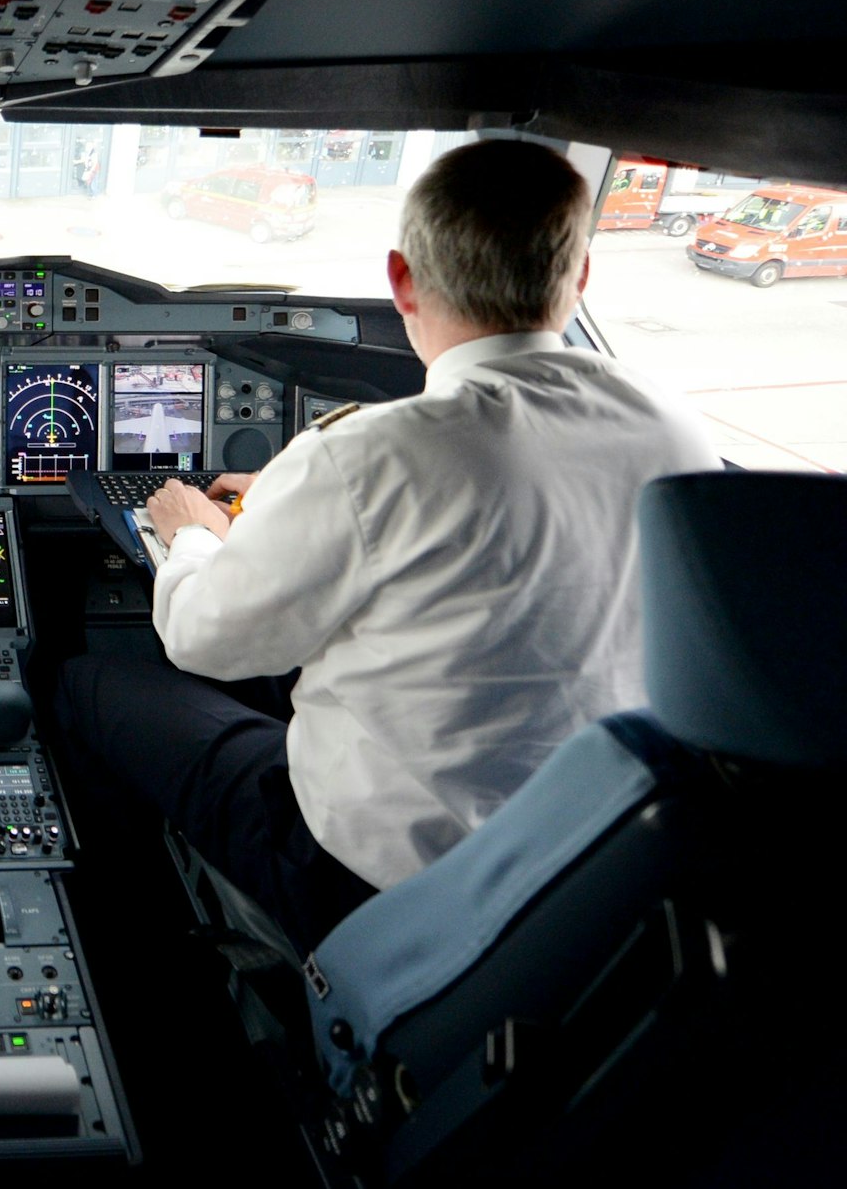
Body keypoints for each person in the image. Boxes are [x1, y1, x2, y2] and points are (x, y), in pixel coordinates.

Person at [54, 139, 721, 956]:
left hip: (373, 871)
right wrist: (289, 501)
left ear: (401, 279)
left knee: (88, 683)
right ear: (579, 277)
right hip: (588, 855)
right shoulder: (672, 424)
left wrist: (194, 532)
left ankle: (145, 951)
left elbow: (200, 639)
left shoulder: (366, 454)